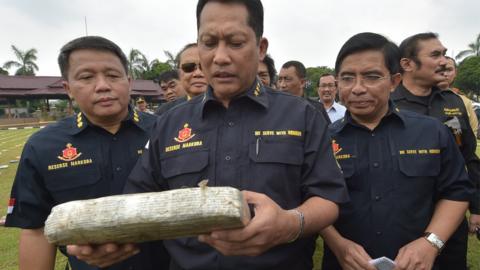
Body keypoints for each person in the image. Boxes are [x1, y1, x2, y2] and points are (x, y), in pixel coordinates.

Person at [67, 0, 348, 269]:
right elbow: (139, 197)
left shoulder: (301, 115)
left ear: (260, 48)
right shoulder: (169, 123)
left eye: (236, 43)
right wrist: (110, 236)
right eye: (209, 43)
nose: (220, 57)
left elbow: (327, 198)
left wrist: (290, 223)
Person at [4, 36, 169, 270]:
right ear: (68, 88)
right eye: (87, 77)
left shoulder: (167, 132)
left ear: (128, 82)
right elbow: (36, 229)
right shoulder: (43, 147)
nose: (102, 85)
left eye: (113, 75)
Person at [321, 32, 473, 270]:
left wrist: (430, 243)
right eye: (348, 78)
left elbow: (456, 191)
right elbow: (313, 197)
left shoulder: (431, 131)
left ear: (394, 81)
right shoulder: (323, 140)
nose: (358, 88)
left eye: (371, 77)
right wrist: (338, 245)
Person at [391, 32, 480, 270]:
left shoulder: (454, 102)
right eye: (435, 55)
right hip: (403, 219)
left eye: (444, 54)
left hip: (452, 219)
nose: (444, 61)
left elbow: (469, 157)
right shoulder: (388, 105)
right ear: (407, 64)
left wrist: (477, 209)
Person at [155, 43, 208, 115]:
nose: (198, 73)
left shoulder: (227, 108)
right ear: (179, 73)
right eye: (188, 67)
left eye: (205, 66)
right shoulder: (164, 113)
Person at [438, 56, 478, 136]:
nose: (445, 74)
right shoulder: (419, 98)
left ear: (455, 73)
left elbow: (472, 133)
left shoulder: (465, 102)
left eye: (449, 70)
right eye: (440, 70)